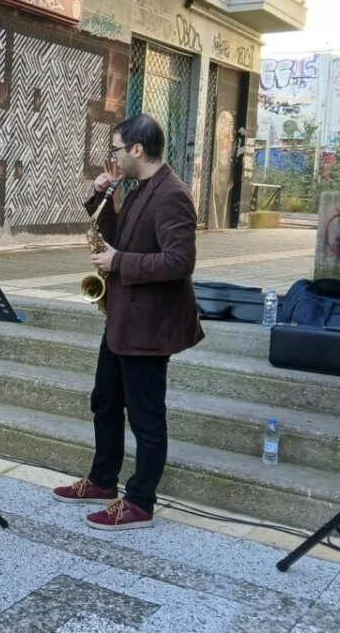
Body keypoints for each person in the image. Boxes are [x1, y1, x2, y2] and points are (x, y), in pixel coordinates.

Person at [52, 114, 205, 531]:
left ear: (137, 149)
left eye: (116, 149)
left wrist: (120, 262)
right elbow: (115, 238)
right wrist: (103, 197)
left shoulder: (172, 194)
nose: (112, 157)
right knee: (104, 401)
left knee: (146, 417)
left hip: (149, 327)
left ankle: (140, 502)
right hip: (123, 318)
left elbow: (180, 261)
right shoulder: (139, 189)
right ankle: (103, 481)